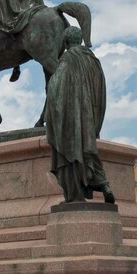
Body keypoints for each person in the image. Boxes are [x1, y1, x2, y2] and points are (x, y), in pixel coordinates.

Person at [45, 26, 114, 203]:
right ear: (80, 40)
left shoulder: (68, 58)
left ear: (66, 42)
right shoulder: (93, 60)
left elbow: (56, 86)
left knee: (72, 154)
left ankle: (75, 196)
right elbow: (101, 90)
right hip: (90, 115)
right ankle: (104, 184)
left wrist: (51, 84)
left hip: (73, 115)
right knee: (88, 150)